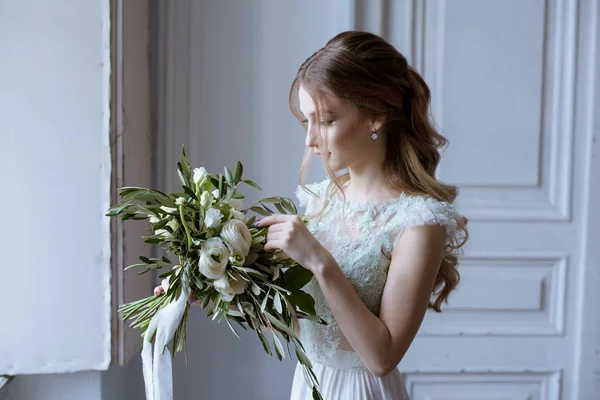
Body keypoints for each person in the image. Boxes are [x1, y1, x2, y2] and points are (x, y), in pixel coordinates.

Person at [156, 30, 468, 400]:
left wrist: (319, 260)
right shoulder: (321, 200)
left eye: (327, 120)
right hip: (311, 384)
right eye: (307, 121)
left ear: (377, 116)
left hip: (363, 391)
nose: (310, 140)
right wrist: (221, 285)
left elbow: (381, 357)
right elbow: (310, 332)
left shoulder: (419, 221)